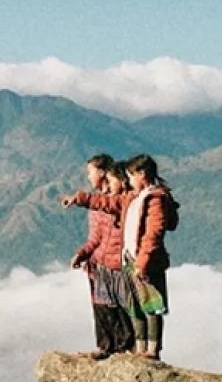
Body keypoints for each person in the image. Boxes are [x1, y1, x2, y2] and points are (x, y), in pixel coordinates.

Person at [62, 154, 172, 360]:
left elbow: (152, 234)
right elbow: (104, 210)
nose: (129, 181)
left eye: (131, 176)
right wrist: (79, 199)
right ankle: (138, 348)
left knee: (149, 306)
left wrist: (143, 261)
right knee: (133, 307)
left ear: (142, 174)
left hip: (139, 262)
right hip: (127, 260)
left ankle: (150, 349)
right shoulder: (131, 199)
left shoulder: (153, 199)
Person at [70, 156, 134, 359]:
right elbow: (96, 237)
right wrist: (83, 253)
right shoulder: (98, 202)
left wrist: (81, 198)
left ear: (103, 172)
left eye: (91, 172)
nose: (88, 177)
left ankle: (124, 346)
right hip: (99, 260)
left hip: (118, 261)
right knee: (101, 304)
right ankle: (105, 345)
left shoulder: (121, 199)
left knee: (120, 305)